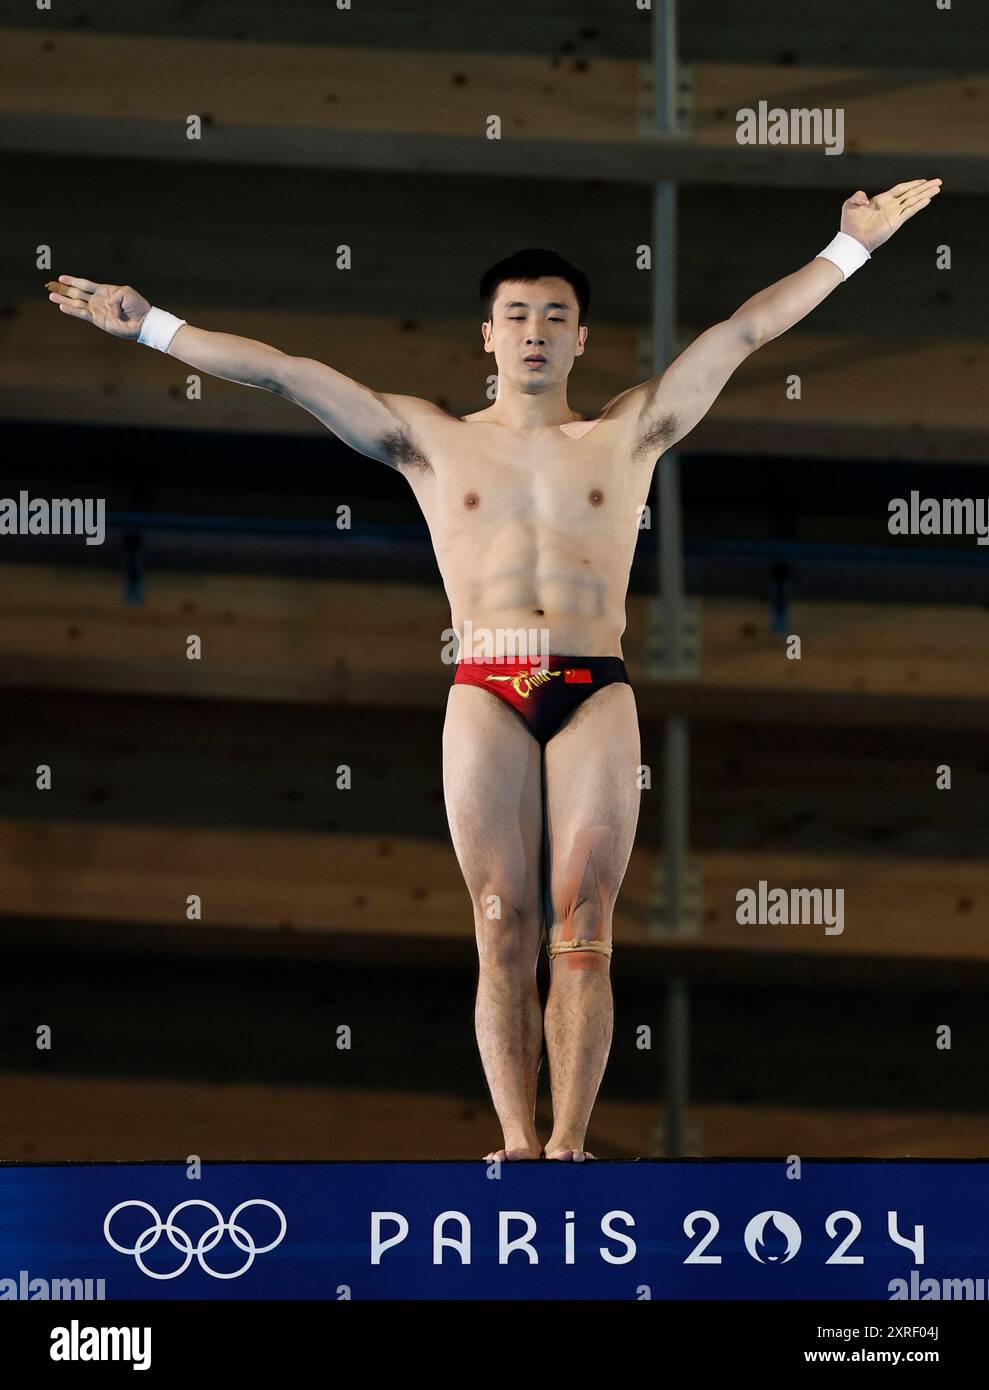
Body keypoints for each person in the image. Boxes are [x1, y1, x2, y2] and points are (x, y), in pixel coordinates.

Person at [47, 177, 941, 1161]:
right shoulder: (428, 440)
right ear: (486, 335)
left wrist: (848, 248)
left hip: (593, 684)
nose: (533, 330)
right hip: (484, 683)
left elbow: (739, 334)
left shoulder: (626, 430)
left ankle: (567, 1144)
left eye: (554, 317)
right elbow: (286, 374)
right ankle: (515, 1143)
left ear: (578, 341)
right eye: (515, 315)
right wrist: (152, 329)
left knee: (586, 917)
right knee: (497, 917)